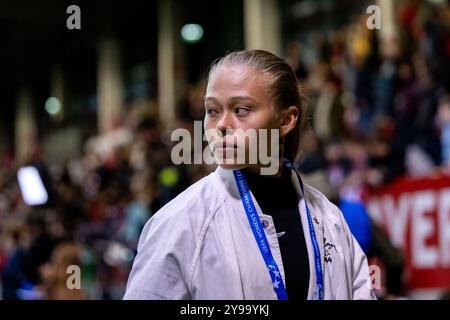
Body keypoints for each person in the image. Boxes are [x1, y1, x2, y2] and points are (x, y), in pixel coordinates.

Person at [123, 50, 375, 300]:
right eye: (212, 111)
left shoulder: (329, 219)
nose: (221, 125)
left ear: (286, 120)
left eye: (241, 110)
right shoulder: (180, 223)